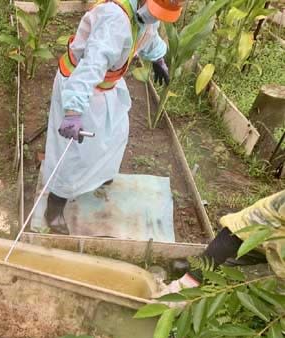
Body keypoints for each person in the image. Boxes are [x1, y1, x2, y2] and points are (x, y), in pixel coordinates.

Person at [43, 0, 183, 234]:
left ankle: (100, 175)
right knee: (74, 152)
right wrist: (73, 111)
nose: (156, 16)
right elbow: (91, 66)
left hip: (107, 84)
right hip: (82, 84)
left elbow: (148, 33)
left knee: (115, 133)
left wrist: (158, 57)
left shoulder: (143, 13)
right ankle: (55, 205)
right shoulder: (115, 20)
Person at [160, 190, 285, 296]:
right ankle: (205, 271)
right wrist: (193, 278)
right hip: (272, 243)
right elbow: (243, 226)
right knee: (224, 260)